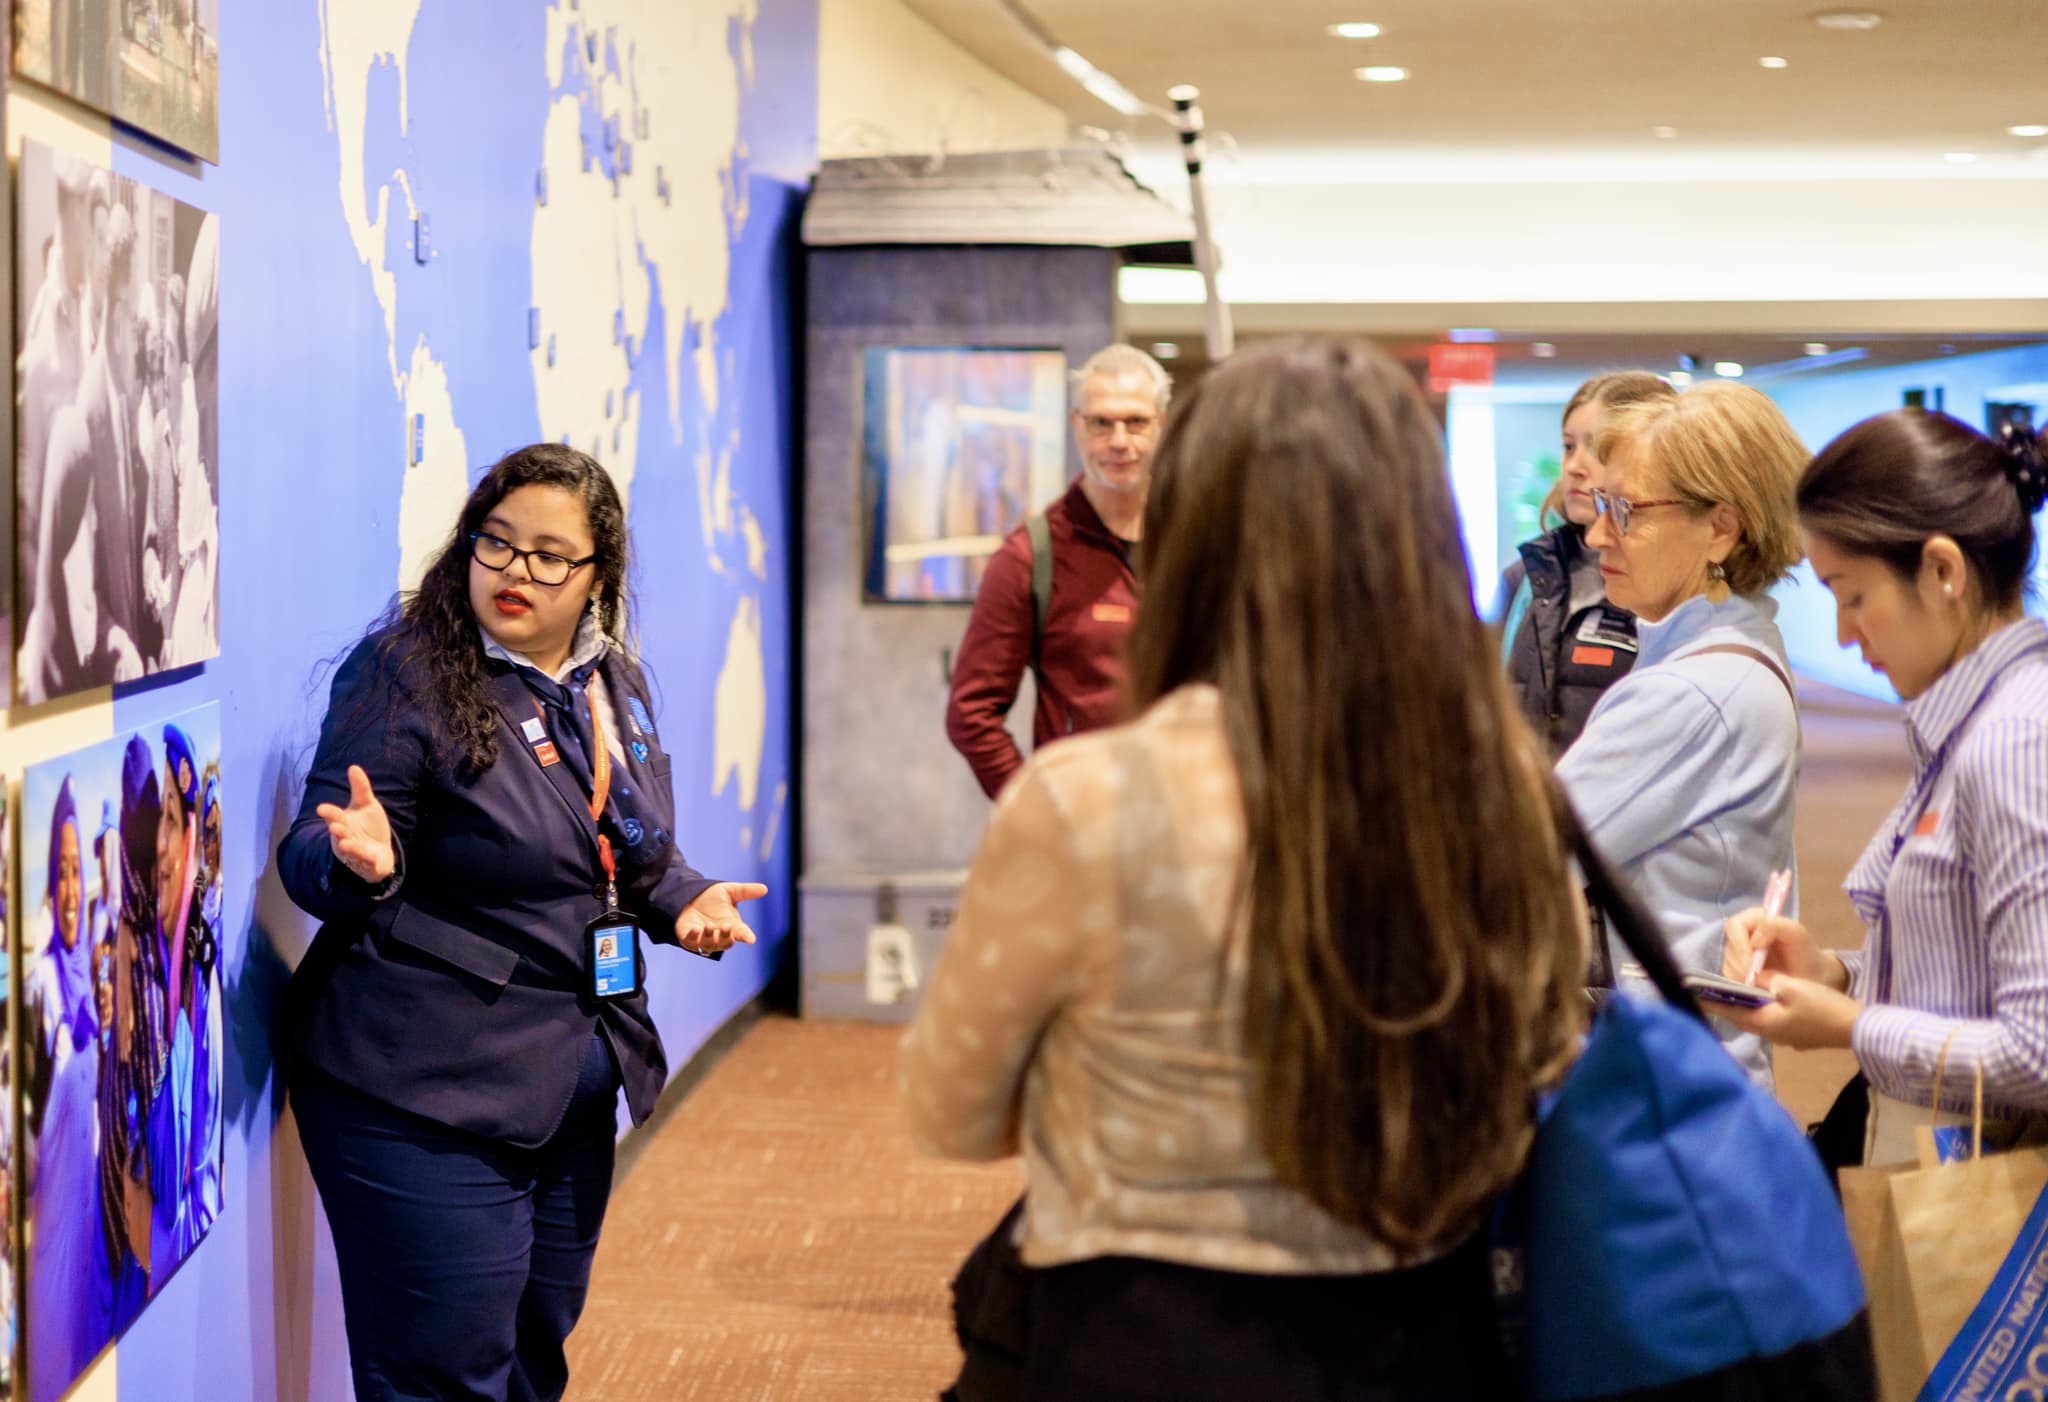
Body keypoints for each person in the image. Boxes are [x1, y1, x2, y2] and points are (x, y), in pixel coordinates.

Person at [903, 337, 1587, 1400]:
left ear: (1196, 524)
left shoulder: (1083, 800)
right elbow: (1539, 1056)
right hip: (1424, 1331)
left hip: (1138, 1334)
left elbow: (950, 1106)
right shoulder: (1501, 784)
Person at [279, 443, 770, 1402]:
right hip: (422, 1085)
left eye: (551, 556)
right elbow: (312, 847)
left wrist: (686, 900)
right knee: (441, 1375)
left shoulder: (608, 683)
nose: (516, 573)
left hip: (569, 1082)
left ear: (599, 576)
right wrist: (359, 863)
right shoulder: (405, 674)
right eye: (496, 544)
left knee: (533, 1356)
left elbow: (627, 844)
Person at [1721, 411, 2048, 1165]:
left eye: (1852, 595)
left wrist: (1846, 1025)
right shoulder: (1971, 726)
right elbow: (1963, 978)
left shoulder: (2014, 741)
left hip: (1983, 1181)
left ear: (1941, 572)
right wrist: (1835, 974)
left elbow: (2036, 1048)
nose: (1842, 634)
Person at [1554, 381, 1806, 1085]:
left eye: (1624, 510)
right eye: (1602, 505)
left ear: (1721, 529)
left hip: (1660, 1083)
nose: (1598, 533)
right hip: (1691, 1065)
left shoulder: (1692, 693)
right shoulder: (1736, 656)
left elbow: (1518, 860)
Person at [945, 344, 1169, 798]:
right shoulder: (1031, 556)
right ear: (1075, 426)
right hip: (1086, 832)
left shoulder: (1194, 541)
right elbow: (971, 715)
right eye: (1101, 423)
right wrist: (1040, 809)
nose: (1120, 441)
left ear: (1162, 426)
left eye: (1136, 422)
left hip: (1187, 824)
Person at [1497, 373, 1675, 754]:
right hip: (1532, 803)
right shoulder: (1526, 578)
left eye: (1595, 448)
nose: (1575, 466)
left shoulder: (1670, 581)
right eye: (1567, 446)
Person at [25, 782, 113, 1398]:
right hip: (48, 1262)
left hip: (89, 1254)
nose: (73, 888)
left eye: (78, 870)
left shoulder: (91, 983)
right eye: (62, 872)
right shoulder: (40, 992)